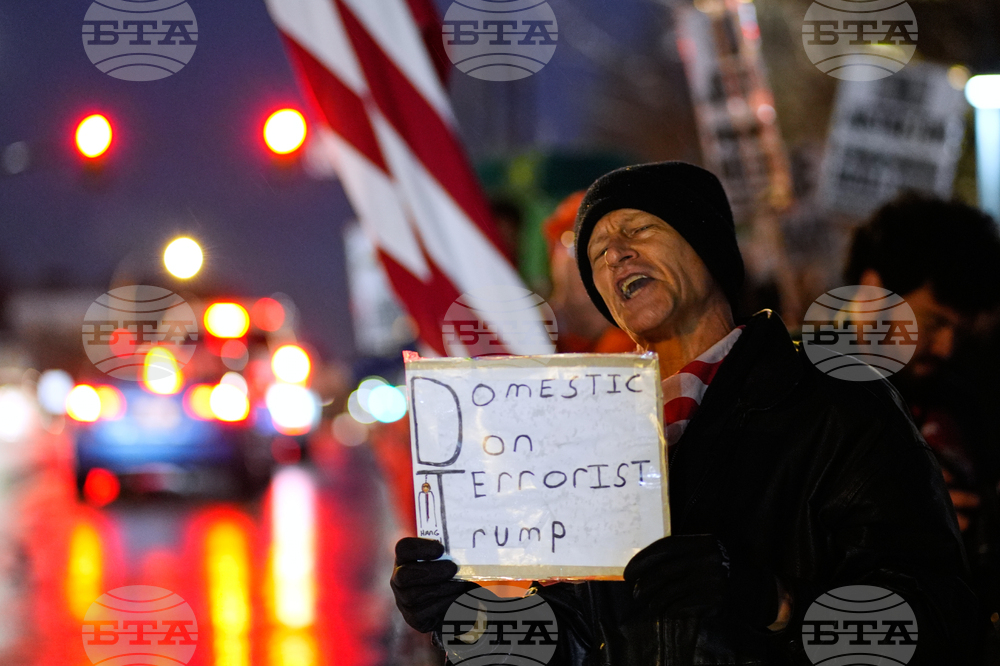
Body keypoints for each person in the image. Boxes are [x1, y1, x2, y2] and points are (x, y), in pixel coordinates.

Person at [391, 162, 976, 665]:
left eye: (639, 230)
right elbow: (573, 641)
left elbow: (937, 616)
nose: (616, 253)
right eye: (596, 252)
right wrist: (470, 617)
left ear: (707, 245)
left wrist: (772, 601)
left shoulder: (833, 398)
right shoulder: (578, 435)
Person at [844, 193, 1000, 660]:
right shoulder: (787, 387)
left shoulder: (963, 400)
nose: (946, 346)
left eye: (961, 329)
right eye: (933, 323)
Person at [542, 191, 635, 354]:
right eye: (573, 243)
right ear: (553, 256)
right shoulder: (526, 330)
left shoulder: (643, 339)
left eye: (601, 248)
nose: (584, 260)